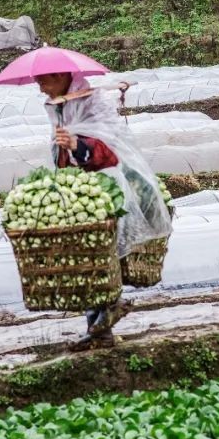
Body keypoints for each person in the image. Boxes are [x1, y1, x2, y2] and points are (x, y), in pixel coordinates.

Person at [37, 71, 171, 348]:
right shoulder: (61, 108)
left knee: (101, 257)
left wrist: (77, 144)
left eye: (44, 81)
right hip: (78, 192)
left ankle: (105, 318)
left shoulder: (93, 104)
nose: (41, 88)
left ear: (62, 77)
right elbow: (61, 158)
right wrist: (63, 149)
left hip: (107, 191)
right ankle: (98, 327)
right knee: (87, 260)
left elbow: (110, 151)